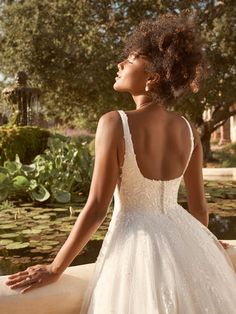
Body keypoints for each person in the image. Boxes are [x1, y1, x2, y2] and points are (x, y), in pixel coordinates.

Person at [6, 11, 236, 313]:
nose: (120, 64)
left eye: (130, 59)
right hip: (181, 240)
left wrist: (55, 267)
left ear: (151, 76)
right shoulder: (188, 128)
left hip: (133, 248)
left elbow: (98, 206)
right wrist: (202, 244)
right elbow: (199, 210)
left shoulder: (115, 123)